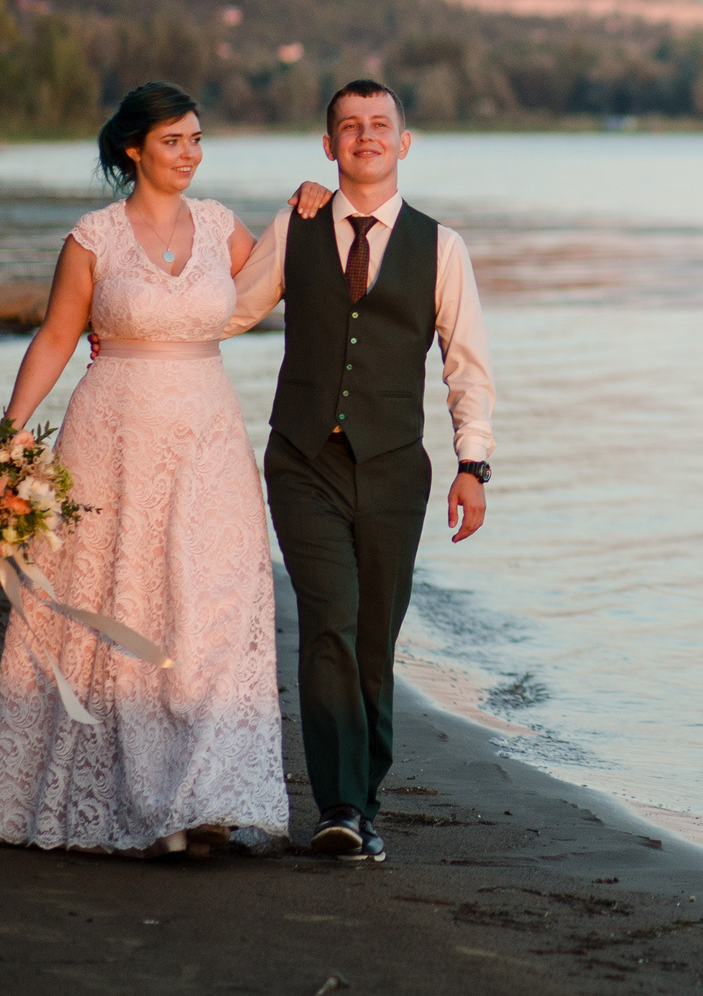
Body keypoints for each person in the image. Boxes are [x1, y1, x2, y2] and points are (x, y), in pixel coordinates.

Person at [0, 82, 291, 857]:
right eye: (174, 140)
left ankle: (205, 796)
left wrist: (305, 209)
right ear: (132, 148)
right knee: (123, 601)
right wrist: (6, 442)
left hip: (209, 439)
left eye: (196, 139)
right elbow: (57, 337)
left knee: (214, 605)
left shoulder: (221, 226)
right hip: (111, 439)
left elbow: (278, 282)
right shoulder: (94, 238)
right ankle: (140, 805)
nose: (189, 154)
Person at [223, 77, 495, 865]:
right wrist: (137, 323)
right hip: (302, 460)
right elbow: (231, 309)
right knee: (329, 621)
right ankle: (338, 806)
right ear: (328, 144)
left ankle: (363, 800)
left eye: (380, 124)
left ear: (403, 142)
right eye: (350, 125)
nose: (365, 135)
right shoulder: (296, 225)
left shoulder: (441, 247)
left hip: (394, 471)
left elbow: (467, 364)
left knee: (374, 638)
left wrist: (473, 464)